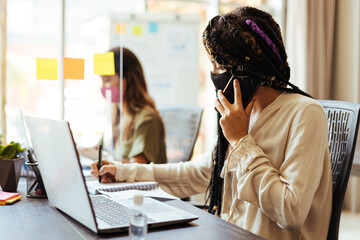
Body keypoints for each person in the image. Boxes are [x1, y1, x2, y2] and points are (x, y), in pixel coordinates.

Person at [91, 7, 332, 240]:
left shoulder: (305, 113)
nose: (214, 75)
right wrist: (124, 172)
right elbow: (197, 174)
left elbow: (290, 212)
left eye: (218, 66)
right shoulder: (244, 113)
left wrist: (240, 141)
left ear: (245, 69)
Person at [82, 47, 167, 165]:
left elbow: (138, 167)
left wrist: (110, 165)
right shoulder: (116, 117)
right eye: (101, 80)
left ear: (128, 78)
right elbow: (98, 151)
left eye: (107, 79)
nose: (103, 86)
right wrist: (78, 149)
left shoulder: (147, 119)